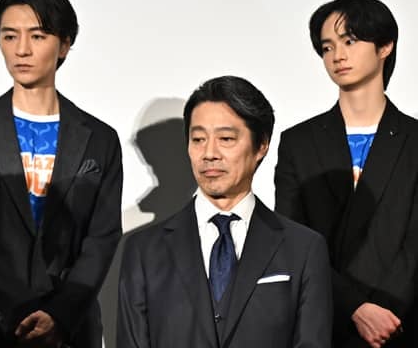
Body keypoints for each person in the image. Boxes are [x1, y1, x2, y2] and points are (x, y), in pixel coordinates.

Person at [0, 0, 123, 347]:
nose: (21, 49)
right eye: (10, 36)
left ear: (64, 44)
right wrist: (8, 314)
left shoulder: (100, 139)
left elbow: (101, 238)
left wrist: (60, 314)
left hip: (71, 329)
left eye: (37, 36)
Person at [118, 76, 332, 347]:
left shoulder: (304, 249)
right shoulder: (143, 251)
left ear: (261, 145)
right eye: (198, 139)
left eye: (226, 139)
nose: (209, 153)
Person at [275, 0, 418, 347]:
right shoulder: (298, 142)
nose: (337, 55)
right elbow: (291, 238)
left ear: (385, 46)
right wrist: (353, 307)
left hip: (403, 324)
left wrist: (385, 313)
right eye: (327, 47)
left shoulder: (414, 140)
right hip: (325, 324)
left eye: (350, 41)